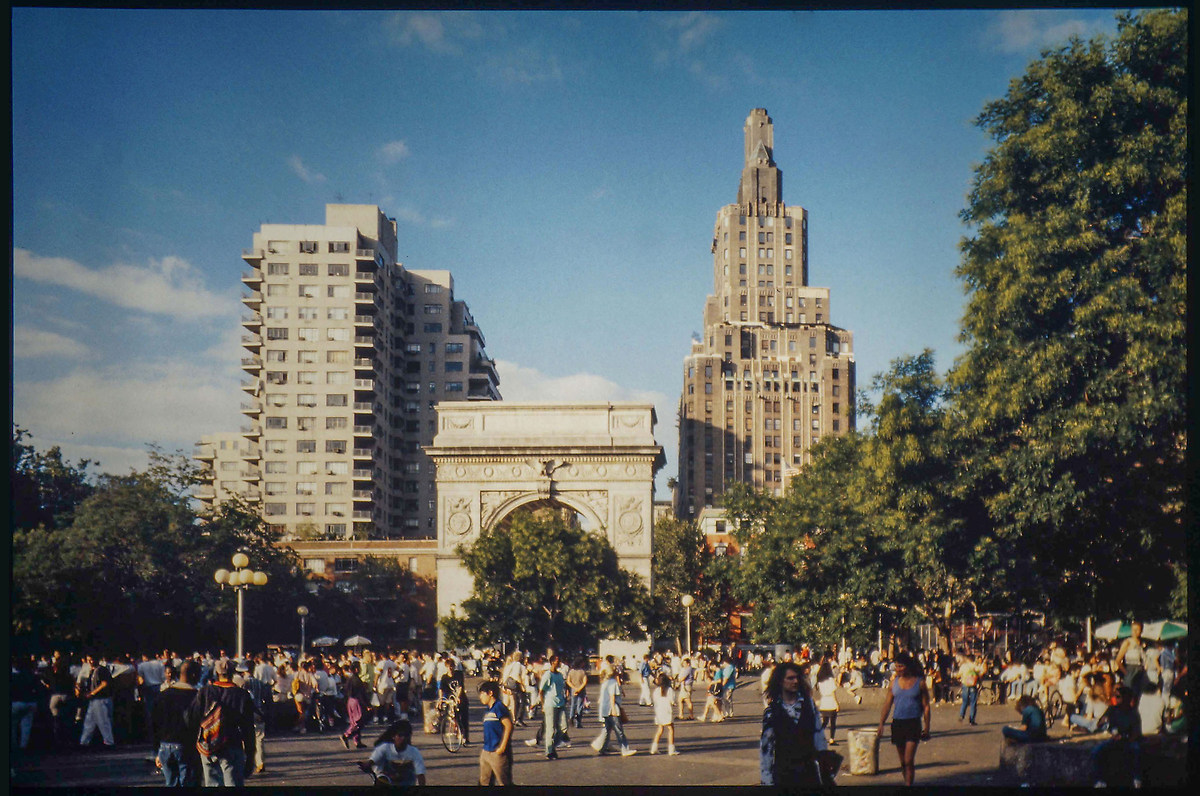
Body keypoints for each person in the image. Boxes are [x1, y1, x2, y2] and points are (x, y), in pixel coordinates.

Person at [186, 658, 257, 787]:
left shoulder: (205, 691)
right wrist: (251, 755)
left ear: (216, 673)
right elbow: (248, 729)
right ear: (233, 673)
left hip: (207, 745)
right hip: (232, 744)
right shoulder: (241, 695)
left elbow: (191, 718)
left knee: (211, 783)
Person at [760, 661, 829, 786]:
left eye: (797, 677)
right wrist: (766, 780)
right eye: (790, 678)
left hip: (808, 773)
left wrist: (825, 771)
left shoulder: (809, 706)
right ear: (781, 681)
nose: (795, 681)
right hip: (783, 774)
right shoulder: (771, 712)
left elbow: (819, 737)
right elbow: (767, 748)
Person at [876, 652, 931, 787]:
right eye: (897, 666)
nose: (898, 669)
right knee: (902, 762)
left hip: (913, 723)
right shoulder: (893, 683)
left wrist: (927, 727)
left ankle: (908, 785)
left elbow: (926, 706)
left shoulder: (920, 683)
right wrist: (881, 723)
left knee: (908, 760)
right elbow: (887, 704)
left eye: (901, 666)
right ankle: (907, 781)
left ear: (908, 666)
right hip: (898, 723)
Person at [153, 660, 201, 786]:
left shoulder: (163, 695)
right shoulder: (197, 697)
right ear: (194, 675)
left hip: (165, 746)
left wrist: (156, 750)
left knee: (171, 783)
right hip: (187, 746)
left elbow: (154, 724)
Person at [592, 665, 637, 756]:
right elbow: (612, 697)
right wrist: (614, 710)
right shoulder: (613, 682)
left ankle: (602, 747)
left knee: (607, 730)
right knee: (619, 730)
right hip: (612, 709)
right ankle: (624, 749)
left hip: (605, 709)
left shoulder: (605, 682)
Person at [367, 720, 426, 786]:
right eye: (400, 735)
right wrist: (367, 765)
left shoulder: (414, 752)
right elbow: (373, 760)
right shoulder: (385, 748)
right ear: (393, 736)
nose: (403, 738)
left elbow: (420, 774)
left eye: (406, 735)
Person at [478, 681, 514, 786]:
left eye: (482, 693)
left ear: (490, 693)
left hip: (498, 752)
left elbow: (508, 725)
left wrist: (502, 747)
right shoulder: (488, 709)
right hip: (486, 750)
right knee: (484, 781)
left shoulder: (499, 707)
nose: (480, 697)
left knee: (504, 782)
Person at [78, 653, 116, 748]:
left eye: (92, 660)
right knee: (89, 721)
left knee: (103, 721)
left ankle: (109, 741)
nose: (90, 662)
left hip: (101, 699)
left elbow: (104, 684)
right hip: (94, 700)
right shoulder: (92, 671)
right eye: (88, 660)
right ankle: (84, 741)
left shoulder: (101, 670)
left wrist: (92, 692)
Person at [340, 663, 370, 750]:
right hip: (356, 701)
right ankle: (346, 735)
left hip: (350, 701)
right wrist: (367, 704)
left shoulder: (349, 679)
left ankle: (357, 741)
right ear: (356, 669)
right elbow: (361, 693)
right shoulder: (356, 680)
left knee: (354, 720)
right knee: (358, 720)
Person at [650, 672, 680, 755]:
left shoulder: (656, 691)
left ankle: (654, 748)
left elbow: (655, 701)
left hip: (659, 711)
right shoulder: (670, 690)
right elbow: (672, 701)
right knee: (670, 729)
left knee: (660, 729)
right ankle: (671, 749)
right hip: (667, 711)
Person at [1116, 621, 1148, 693]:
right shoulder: (1127, 642)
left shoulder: (1142, 643)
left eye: (1137, 629)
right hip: (1130, 670)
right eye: (1133, 629)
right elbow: (1118, 660)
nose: (1135, 632)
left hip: (1140, 671)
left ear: (1141, 631)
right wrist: (1126, 673)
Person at [815, 661, 840, 744]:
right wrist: (837, 703)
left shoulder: (820, 681)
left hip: (824, 702)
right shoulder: (830, 680)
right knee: (833, 722)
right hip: (831, 702)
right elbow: (833, 692)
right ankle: (832, 738)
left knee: (825, 722)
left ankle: (818, 735)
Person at [957, 652, 981, 726]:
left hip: (965, 684)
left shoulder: (963, 666)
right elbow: (980, 672)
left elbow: (958, 675)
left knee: (965, 701)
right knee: (973, 702)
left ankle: (961, 715)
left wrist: (960, 678)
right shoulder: (974, 666)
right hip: (973, 685)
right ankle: (972, 719)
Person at [566, 657, 589, 730]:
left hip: (573, 690)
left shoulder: (571, 671)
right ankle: (578, 722)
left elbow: (568, 681)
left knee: (573, 705)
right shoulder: (582, 672)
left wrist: (574, 688)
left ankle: (571, 717)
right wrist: (579, 689)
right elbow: (585, 682)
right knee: (580, 706)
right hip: (581, 690)